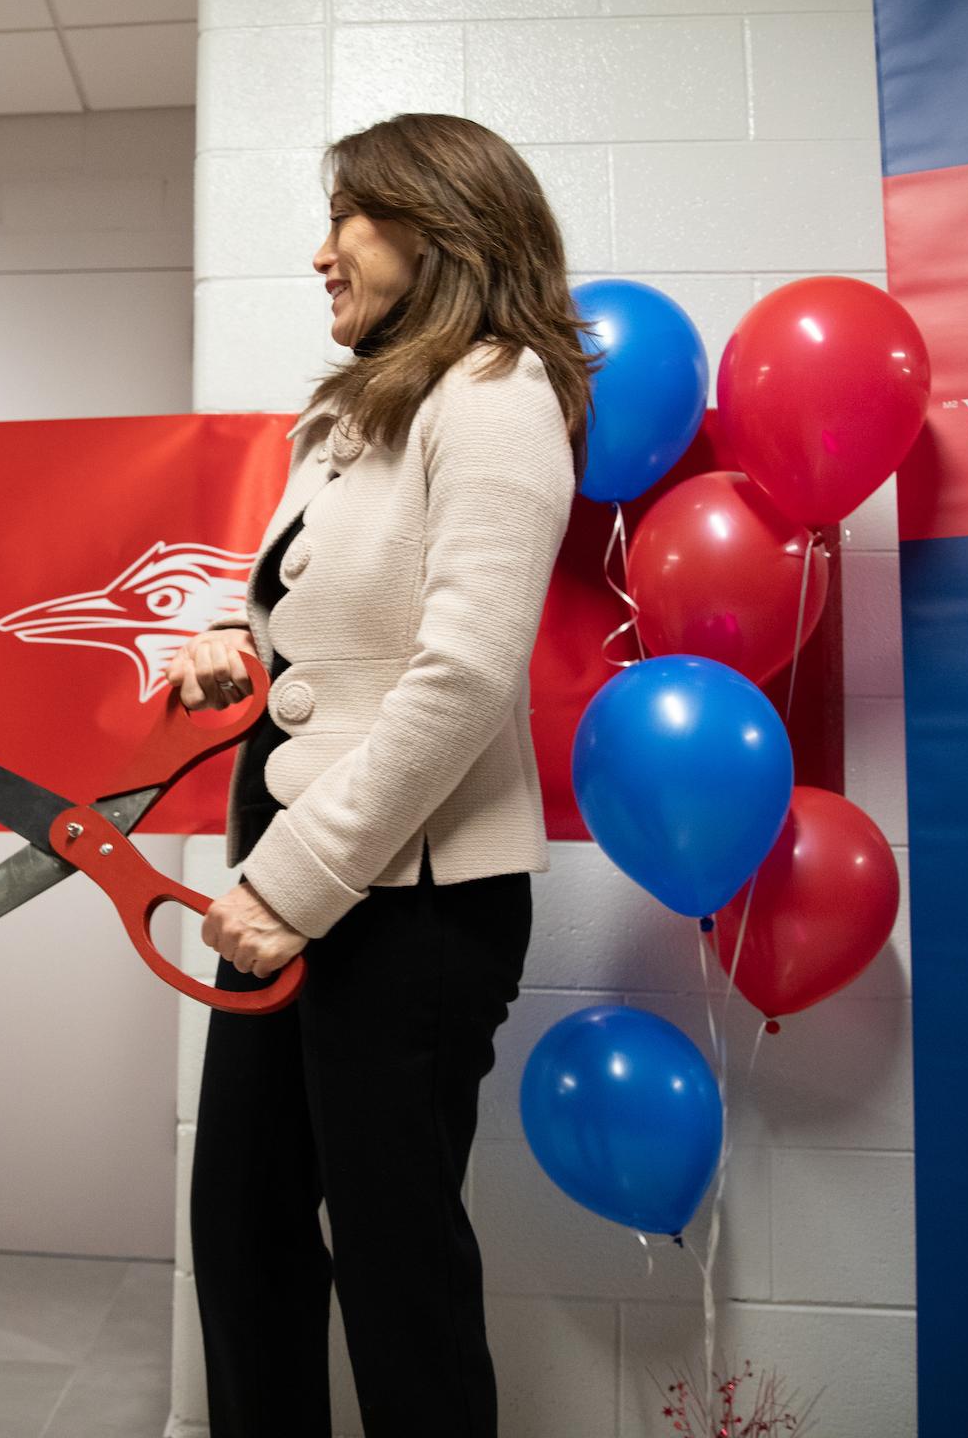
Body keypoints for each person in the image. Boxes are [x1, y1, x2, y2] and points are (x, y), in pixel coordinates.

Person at [164, 113, 590, 1438]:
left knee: (398, 1271)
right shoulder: (349, 416)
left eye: (346, 217)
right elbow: (335, 629)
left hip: (402, 913)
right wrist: (236, 644)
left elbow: (462, 679)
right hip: (293, 893)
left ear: (433, 225)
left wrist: (287, 887)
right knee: (239, 1231)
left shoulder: (501, 396)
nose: (320, 253)